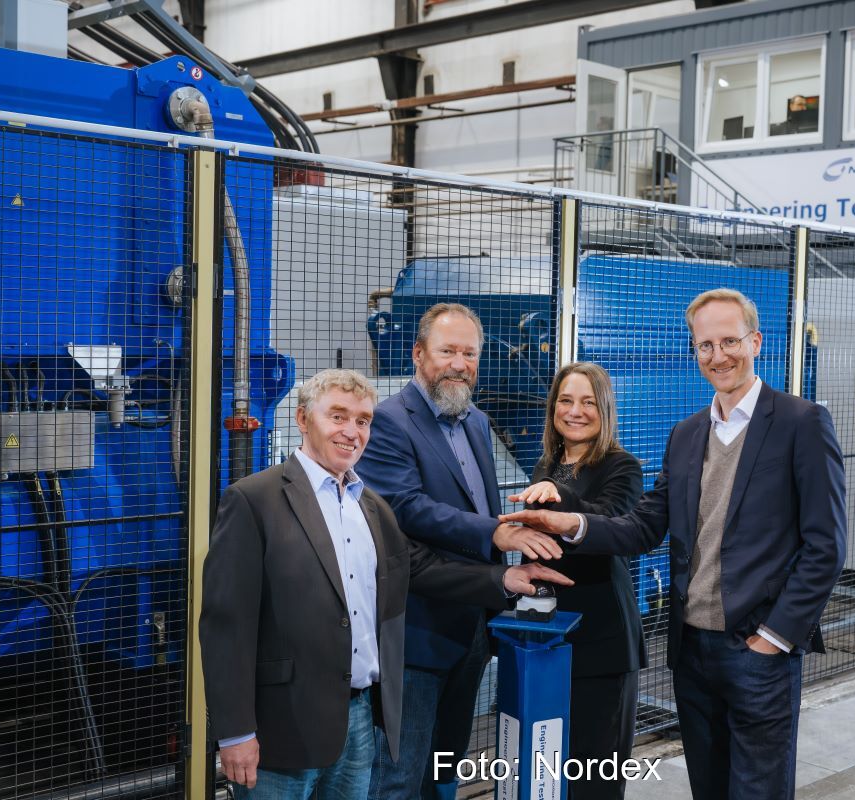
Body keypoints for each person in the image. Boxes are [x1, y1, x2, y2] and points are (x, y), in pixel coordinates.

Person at [503, 288, 847, 800]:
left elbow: (827, 545)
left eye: (729, 341)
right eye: (705, 345)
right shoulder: (686, 435)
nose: (718, 355)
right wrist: (568, 523)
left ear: (756, 342)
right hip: (693, 653)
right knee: (708, 787)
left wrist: (775, 638)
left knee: (758, 790)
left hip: (757, 649)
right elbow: (641, 527)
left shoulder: (801, 423)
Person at [198, 369, 571, 800]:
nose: (351, 431)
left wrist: (502, 577)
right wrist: (235, 732)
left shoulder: (371, 506)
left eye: (363, 420)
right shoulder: (254, 500)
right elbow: (227, 626)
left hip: (359, 721)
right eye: (338, 416)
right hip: (283, 726)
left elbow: (418, 569)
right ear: (303, 419)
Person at [357, 303, 559, 800]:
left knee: (444, 764)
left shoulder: (475, 421)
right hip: (417, 635)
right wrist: (495, 533)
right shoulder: (388, 422)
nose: (459, 364)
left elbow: (479, 502)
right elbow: (406, 507)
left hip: (470, 628)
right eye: (447, 351)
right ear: (418, 354)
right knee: (399, 776)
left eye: (469, 353)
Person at [508, 362, 644, 800]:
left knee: (594, 774)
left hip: (601, 644)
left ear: (604, 409)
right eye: (565, 400)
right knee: (548, 771)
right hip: (549, 637)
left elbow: (612, 522)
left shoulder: (622, 467)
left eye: (588, 402)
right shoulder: (548, 463)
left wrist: (558, 497)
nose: (575, 411)